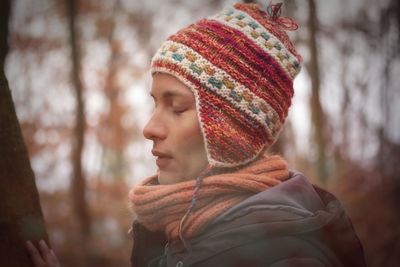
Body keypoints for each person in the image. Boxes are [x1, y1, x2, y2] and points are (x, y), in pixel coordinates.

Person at [27, 2, 366, 267]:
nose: (149, 129)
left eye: (177, 109)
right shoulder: (179, 228)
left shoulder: (280, 256)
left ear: (234, 132)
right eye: (155, 104)